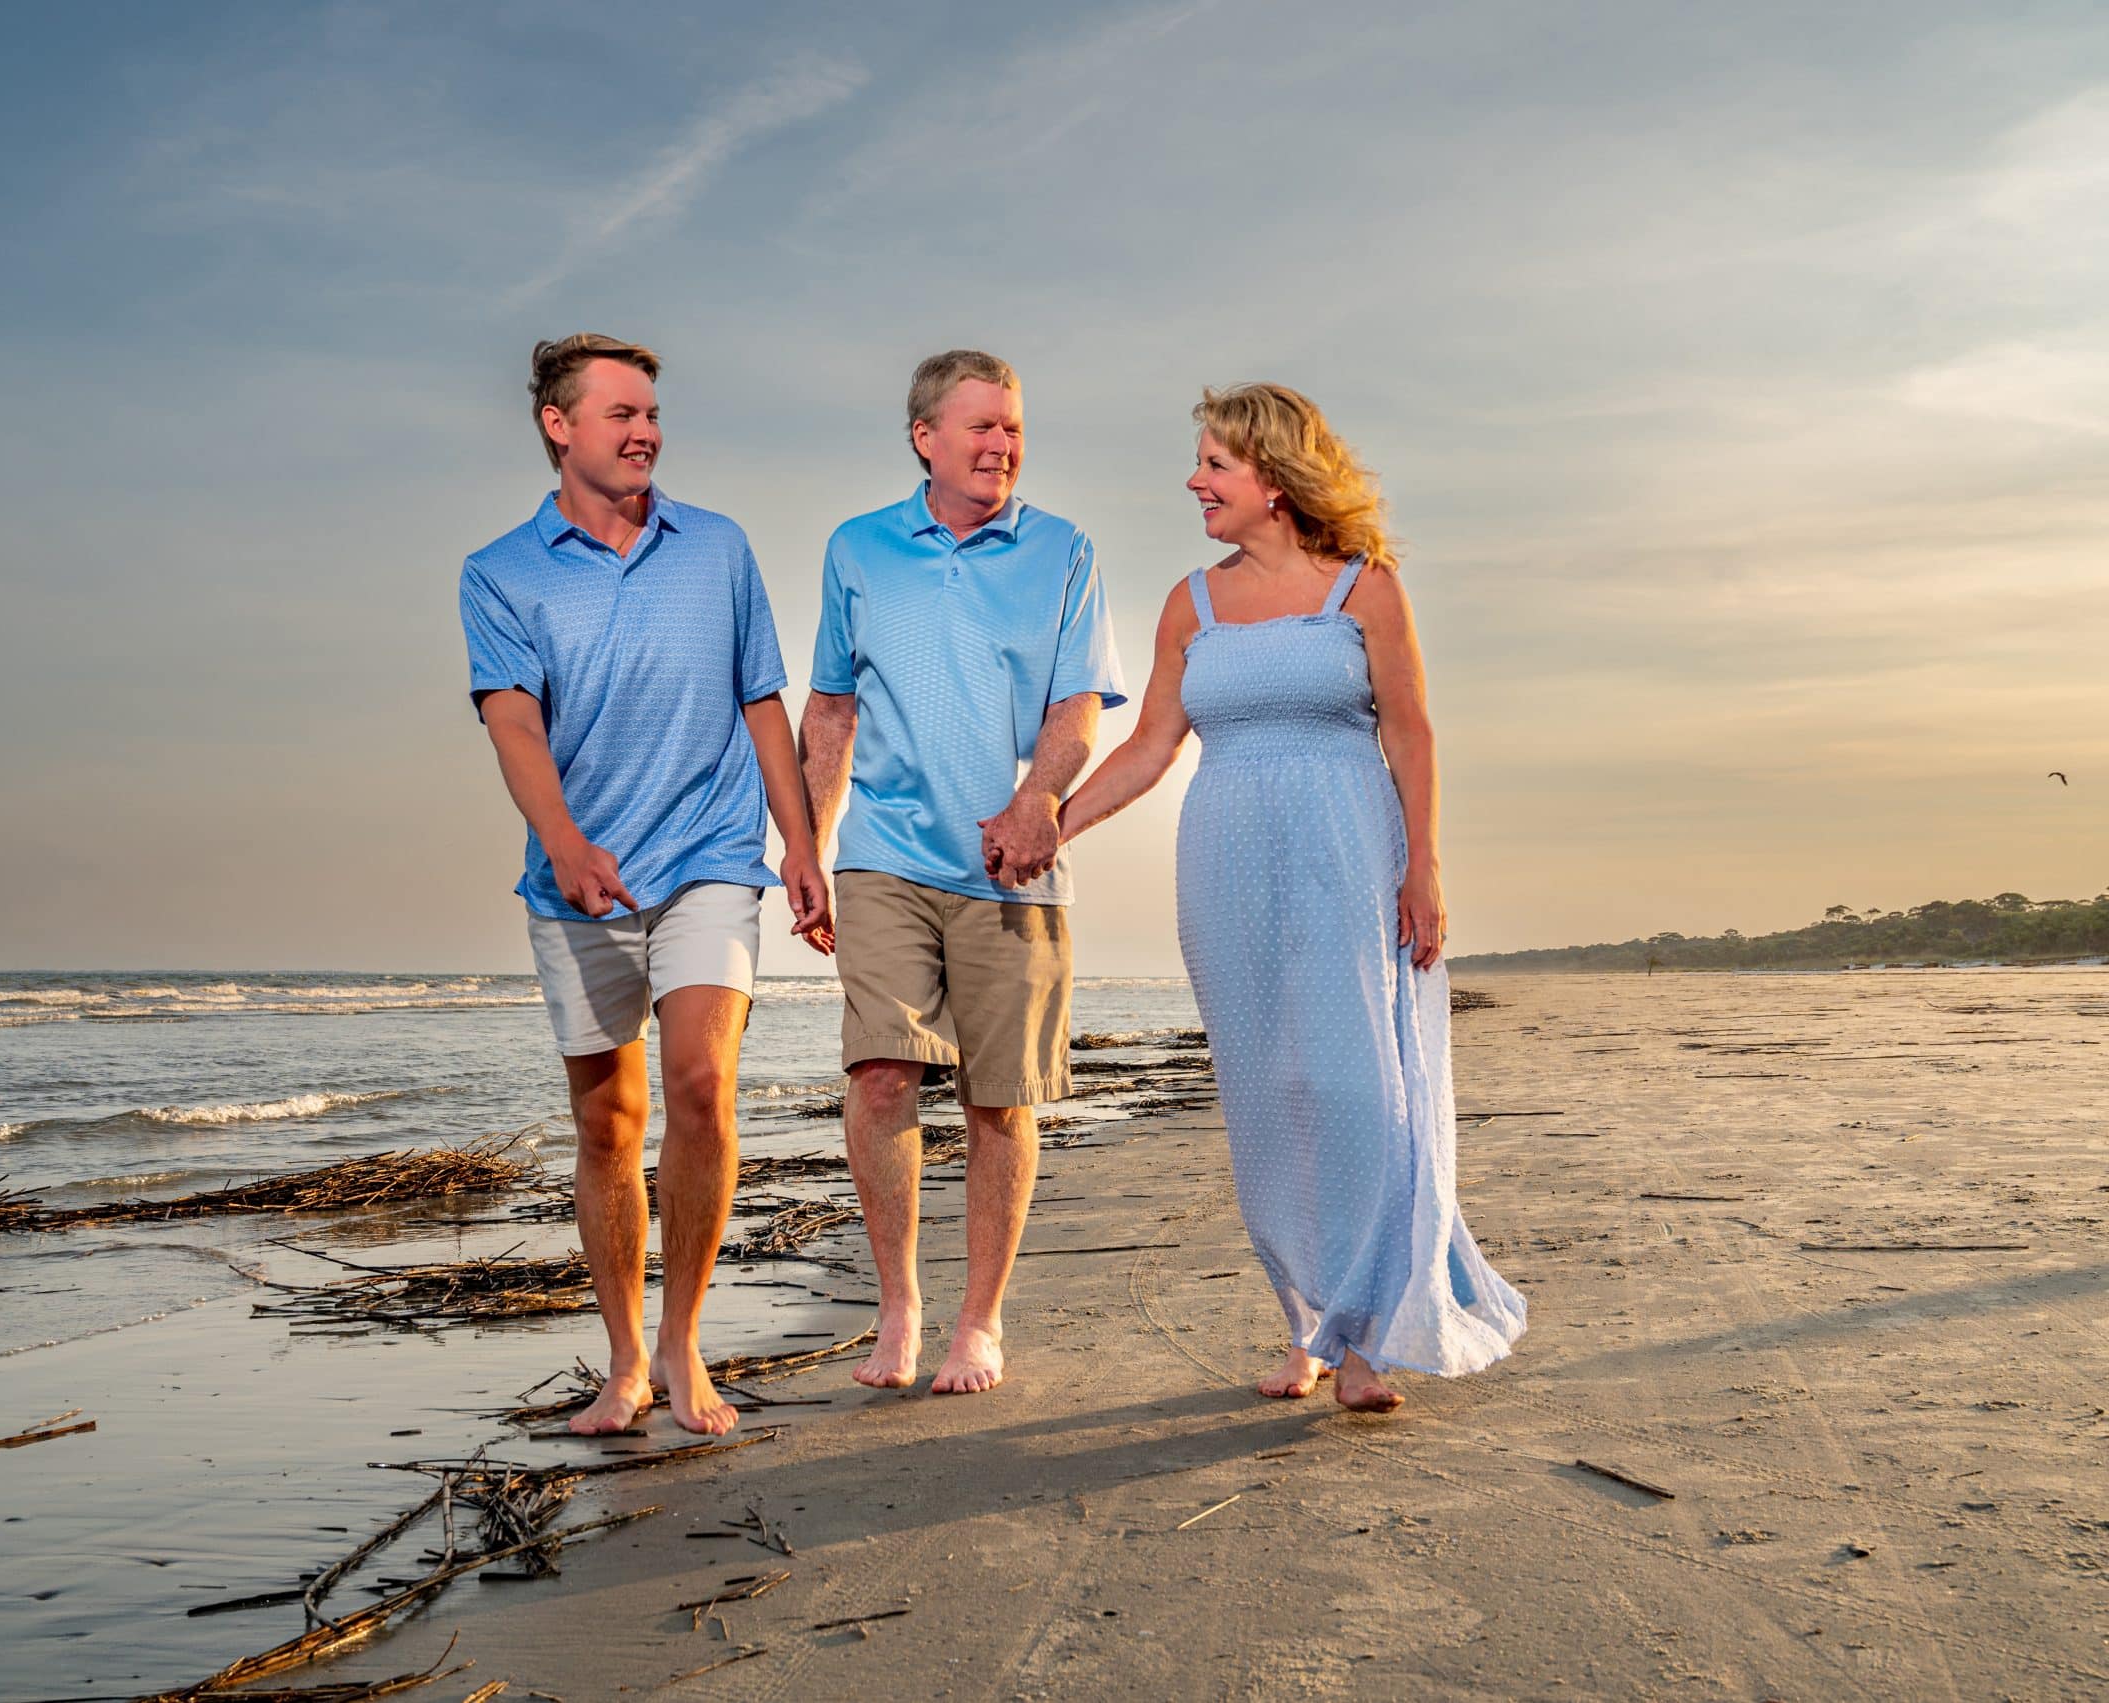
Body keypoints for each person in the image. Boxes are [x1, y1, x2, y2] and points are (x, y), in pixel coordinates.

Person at [1058, 383, 1524, 1411]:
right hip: (1227, 861)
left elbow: (1409, 731)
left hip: (1351, 853)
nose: (1194, 480)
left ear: (1274, 477)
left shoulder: (1364, 587)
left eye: (1214, 464)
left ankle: (1370, 1335)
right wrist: (1053, 823)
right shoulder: (1192, 600)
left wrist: (1425, 865)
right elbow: (1147, 746)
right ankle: (1306, 1326)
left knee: (1358, 1087)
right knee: (1271, 1095)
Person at [459, 333, 832, 1437]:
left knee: (701, 1082)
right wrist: (566, 842)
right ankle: (623, 1358)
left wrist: (798, 843)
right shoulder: (500, 570)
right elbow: (512, 720)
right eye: (620, 412)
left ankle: (683, 1342)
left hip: (711, 857)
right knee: (609, 1120)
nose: (645, 431)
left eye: (652, 412)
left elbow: (763, 702)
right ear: (557, 425)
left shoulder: (715, 547)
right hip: (578, 878)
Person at [797, 349, 1126, 1395]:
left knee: (1000, 1099)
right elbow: (832, 711)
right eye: (980, 427)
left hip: (1010, 862)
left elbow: (1077, 708)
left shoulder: (1063, 550)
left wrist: (1039, 800)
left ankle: (979, 1320)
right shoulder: (857, 550)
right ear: (923, 437)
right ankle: (899, 1302)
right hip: (883, 853)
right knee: (883, 1072)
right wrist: (807, 845)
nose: (1000, 446)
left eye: (1013, 429)